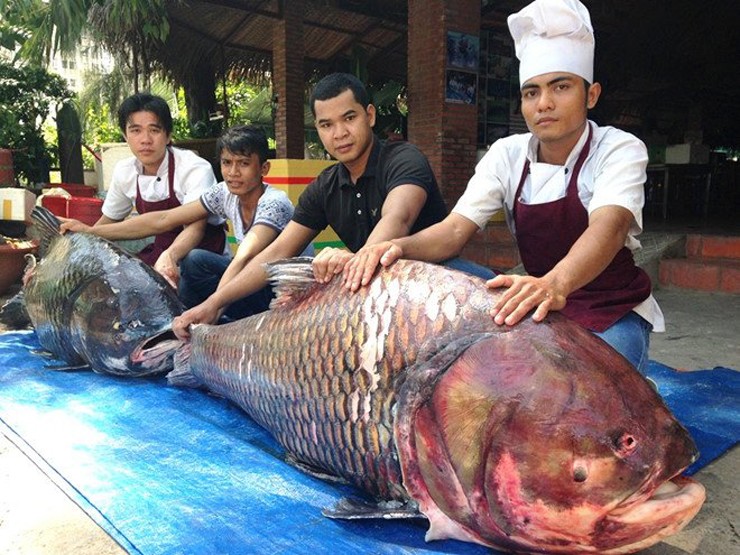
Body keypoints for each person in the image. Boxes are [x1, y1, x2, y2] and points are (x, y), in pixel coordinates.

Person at [342, 0, 663, 374]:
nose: (544, 103)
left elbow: (609, 228)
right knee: (441, 270)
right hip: (536, 300)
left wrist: (554, 285)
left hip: (609, 309)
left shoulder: (619, 148)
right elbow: (455, 230)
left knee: (596, 397)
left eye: (561, 87)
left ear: (590, 95)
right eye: (531, 92)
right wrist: (391, 249)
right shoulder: (507, 154)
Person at [172, 72, 449, 338]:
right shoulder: (324, 186)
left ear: (370, 116)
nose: (339, 133)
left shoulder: (403, 158)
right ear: (317, 129)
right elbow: (278, 250)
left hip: (429, 280)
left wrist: (357, 259)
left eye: (349, 118)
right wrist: (213, 303)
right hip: (367, 287)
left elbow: (397, 217)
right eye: (326, 124)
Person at [61, 125, 295, 320]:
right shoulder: (223, 193)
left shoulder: (275, 202)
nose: (233, 172)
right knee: (195, 261)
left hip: (283, 291)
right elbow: (165, 218)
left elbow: (245, 258)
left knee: (215, 276)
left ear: (263, 168)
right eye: (226, 163)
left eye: (243, 163)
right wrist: (92, 231)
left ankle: (204, 322)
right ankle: (186, 319)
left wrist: (211, 307)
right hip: (250, 281)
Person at [99, 92, 226, 285]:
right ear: (125, 135)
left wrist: (170, 257)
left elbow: (196, 229)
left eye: (154, 130)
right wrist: (80, 238)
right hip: (160, 255)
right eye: (136, 130)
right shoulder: (124, 171)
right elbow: (106, 223)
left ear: (168, 135)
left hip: (202, 259)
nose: (145, 139)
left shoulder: (194, 168)